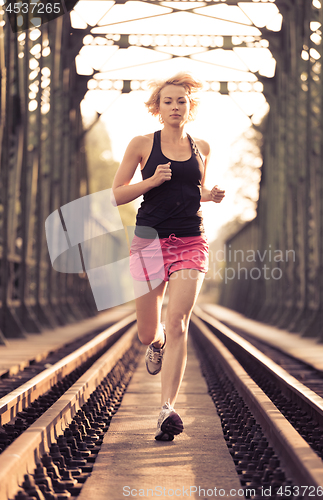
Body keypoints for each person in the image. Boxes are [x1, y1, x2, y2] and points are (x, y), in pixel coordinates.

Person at [112, 72, 225, 441]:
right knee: (150, 331)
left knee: (178, 322)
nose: (176, 107)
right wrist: (151, 181)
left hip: (191, 240)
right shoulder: (142, 144)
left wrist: (211, 195)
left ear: (190, 107)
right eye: (168, 102)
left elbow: (193, 190)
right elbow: (116, 195)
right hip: (148, 240)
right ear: (157, 108)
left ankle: (166, 410)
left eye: (182, 101)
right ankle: (156, 345)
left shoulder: (202, 147)